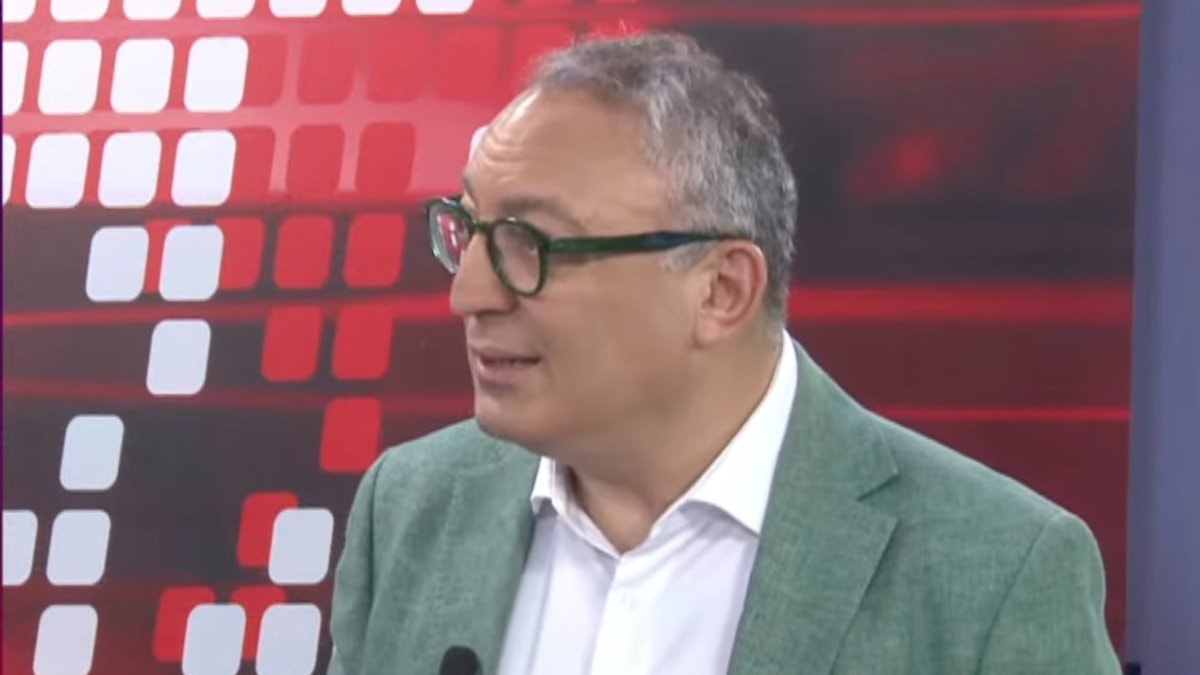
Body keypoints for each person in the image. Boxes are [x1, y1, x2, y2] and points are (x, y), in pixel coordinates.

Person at [327, 32, 1122, 675]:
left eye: (530, 242)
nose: (468, 294)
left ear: (721, 290)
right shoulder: (410, 508)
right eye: (468, 229)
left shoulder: (998, 574)